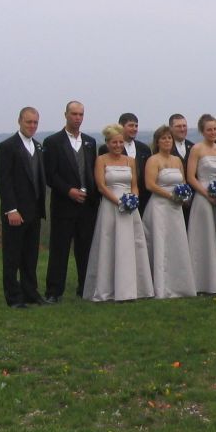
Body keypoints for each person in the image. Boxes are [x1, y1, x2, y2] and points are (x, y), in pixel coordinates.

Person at [82, 124, 152, 302]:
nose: (118, 145)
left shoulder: (130, 161)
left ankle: (134, 288)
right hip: (110, 206)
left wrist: (133, 199)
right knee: (110, 244)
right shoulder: (101, 160)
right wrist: (119, 202)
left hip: (130, 208)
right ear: (107, 143)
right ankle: (107, 288)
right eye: (114, 142)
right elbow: (101, 186)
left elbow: (134, 184)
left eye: (120, 142)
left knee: (131, 245)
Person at [42, 100, 100, 302]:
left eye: (81, 114)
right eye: (74, 114)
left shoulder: (90, 142)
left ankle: (85, 288)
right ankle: (53, 291)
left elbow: (92, 171)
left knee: (85, 249)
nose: (77, 118)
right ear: (66, 115)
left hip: (87, 206)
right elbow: (50, 174)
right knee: (60, 249)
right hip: (64, 204)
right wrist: (69, 191)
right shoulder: (53, 142)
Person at [0, 107, 47, 308]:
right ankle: (14, 297)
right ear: (19, 121)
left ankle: (30, 293)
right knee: (12, 256)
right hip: (16, 211)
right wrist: (11, 209)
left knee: (30, 256)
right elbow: (4, 180)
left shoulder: (38, 146)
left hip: (34, 211)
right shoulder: (7, 147)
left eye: (35, 122)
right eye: (28, 122)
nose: (32, 126)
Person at [143, 125, 197, 298]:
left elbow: (183, 182)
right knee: (160, 243)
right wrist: (170, 195)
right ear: (157, 141)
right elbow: (150, 185)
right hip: (159, 207)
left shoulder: (177, 160)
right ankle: (160, 285)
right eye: (163, 138)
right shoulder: (153, 160)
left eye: (169, 138)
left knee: (177, 243)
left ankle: (178, 284)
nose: (167, 141)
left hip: (175, 208)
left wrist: (183, 195)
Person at [186, 113, 216, 293]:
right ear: (202, 131)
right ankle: (201, 282)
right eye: (209, 130)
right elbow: (190, 177)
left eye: (215, 129)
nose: (213, 132)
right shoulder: (197, 149)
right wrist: (206, 194)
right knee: (204, 239)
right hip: (202, 196)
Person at [119, 112, 152, 215]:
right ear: (121, 126)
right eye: (130, 126)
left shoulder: (144, 149)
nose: (134, 129)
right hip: (119, 197)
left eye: (136, 126)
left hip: (143, 198)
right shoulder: (111, 148)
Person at [169, 113, 194, 225]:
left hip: (192, 199)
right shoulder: (166, 147)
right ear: (171, 128)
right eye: (178, 126)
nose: (182, 129)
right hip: (171, 198)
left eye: (184, 126)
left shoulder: (193, 147)